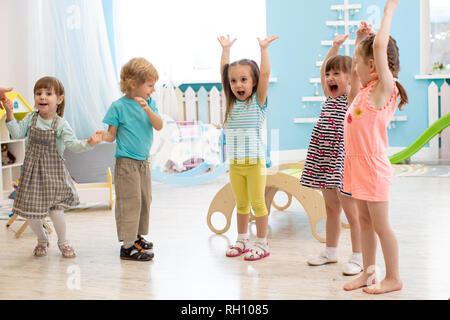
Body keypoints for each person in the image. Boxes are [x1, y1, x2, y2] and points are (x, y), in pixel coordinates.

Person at [343, 0, 407, 294]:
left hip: (373, 167)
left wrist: (388, 12)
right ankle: (369, 273)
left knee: (381, 225)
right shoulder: (364, 92)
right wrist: (358, 42)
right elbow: (352, 86)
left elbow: (379, 48)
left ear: (374, 66)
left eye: (358, 62)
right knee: (364, 222)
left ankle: (393, 277)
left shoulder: (385, 88)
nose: (353, 67)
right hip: (356, 165)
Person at [1, 76, 103, 258]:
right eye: (38, 93)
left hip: (54, 175)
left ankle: (63, 241)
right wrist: (9, 113)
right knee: (31, 214)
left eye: (48, 93)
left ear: (59, 99)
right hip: (32, 176)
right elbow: (16, 133)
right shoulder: (30, 118)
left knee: (56, 213)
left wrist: (90, 143)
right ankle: (41, 238)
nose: (42, 97)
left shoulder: (61, 124)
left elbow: (73, 146)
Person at [300, 32, 364, 276]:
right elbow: (322, 71)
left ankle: (358, 255)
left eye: (337, 73)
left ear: (350, 80)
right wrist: (335, 46)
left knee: (352, 211)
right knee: (331, 208)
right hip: (323, 157)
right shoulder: (329, 96)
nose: (329, 78)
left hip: (342, 159)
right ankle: (330, 251)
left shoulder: (351, 98)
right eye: (329, 75)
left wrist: (357, 43)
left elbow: (357, 71)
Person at [218, 34, 278, 261]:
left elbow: (265, 73)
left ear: (253, 83)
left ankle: (262, 243)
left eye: (243, 80)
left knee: (257, 203)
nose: (237, 85)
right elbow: (224, 72)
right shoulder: (231, 102)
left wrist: (263, 49)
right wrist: (225, 50)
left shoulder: (258, 102)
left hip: (254, 163)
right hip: (235, 164)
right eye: (234, 81)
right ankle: (242, 239)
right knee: (241, 204)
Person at [101, 57, 163, 261]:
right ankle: (127, 246)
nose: (153, 90)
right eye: (150, 85)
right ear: (133, 84)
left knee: (145, 200)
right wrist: (102, 137)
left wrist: (147, 109)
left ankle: (136, 236)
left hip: (143, 162)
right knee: (130, 201)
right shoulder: (118, 107)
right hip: (126, 163)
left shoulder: (150, 103)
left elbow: (159, 125)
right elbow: (111, 135)